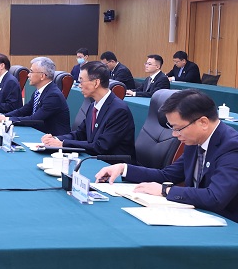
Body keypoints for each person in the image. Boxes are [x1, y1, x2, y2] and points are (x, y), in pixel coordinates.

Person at [95, 89, 238, 222]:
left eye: (178, 128)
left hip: (227, 224)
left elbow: (215, 197)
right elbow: (167, 175)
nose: (174, 135)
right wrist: (123, 168)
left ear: (203, 122)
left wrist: (165, 190)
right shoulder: (195, 140)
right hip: (197, 215)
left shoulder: (231, 146)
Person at [42, 61, 135, 160]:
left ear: (96, 83)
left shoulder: (118, 110)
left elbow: (101, 146)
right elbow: (80, 134)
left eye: (81, 81)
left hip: (112, 164)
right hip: (94, 159)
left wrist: (63, 144)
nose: (79, 85)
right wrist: (56, 139)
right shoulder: (92, 106)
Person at [0, 57, 71, 136]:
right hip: (39, 133)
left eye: (31, 72)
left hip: (53, 138)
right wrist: (4, 116)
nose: (28, 75)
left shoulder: (53, 95)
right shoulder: (39, 91)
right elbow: (24, 110)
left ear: (42, 76)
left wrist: (6, 120)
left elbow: (34, 119)